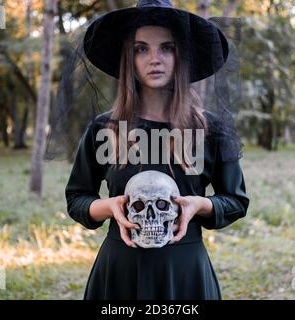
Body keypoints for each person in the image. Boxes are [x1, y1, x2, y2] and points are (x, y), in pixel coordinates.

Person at [58, 0, 250, 300]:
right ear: (128, 58)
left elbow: (235, 200)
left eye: (166, 48)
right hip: (120, 272)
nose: (154, 59)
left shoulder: (210, 130)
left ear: (181, 55)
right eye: (141, 48)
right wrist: (109, 208)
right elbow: (77, 198)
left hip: (185, 274)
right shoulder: (104, 129)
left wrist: (199, 205)